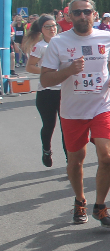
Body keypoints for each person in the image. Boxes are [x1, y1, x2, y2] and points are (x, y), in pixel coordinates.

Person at [39, 0, 110, 228]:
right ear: (69, 16)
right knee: (76, 160)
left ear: (94, 14)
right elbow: (45, 79)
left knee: (106, 157)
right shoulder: (58, 42)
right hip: (72, 110)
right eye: (77, 12)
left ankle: (100, 206)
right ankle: (80, 200)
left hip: (102, 105)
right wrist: (68, 70)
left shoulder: (106, 37)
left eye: (87, 12)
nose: (82, 16)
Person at [23, 15, 65, 167]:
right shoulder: (40, 47)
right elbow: (29, 67)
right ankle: (46, 150)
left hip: (64, 91)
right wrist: (47, 71)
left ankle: (70, 161)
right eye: (47, 26)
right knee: (49, 125)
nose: (52, 29)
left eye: (54, 25)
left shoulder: (64, 42)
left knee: (66, 127)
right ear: (41, 29)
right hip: (46, 92)